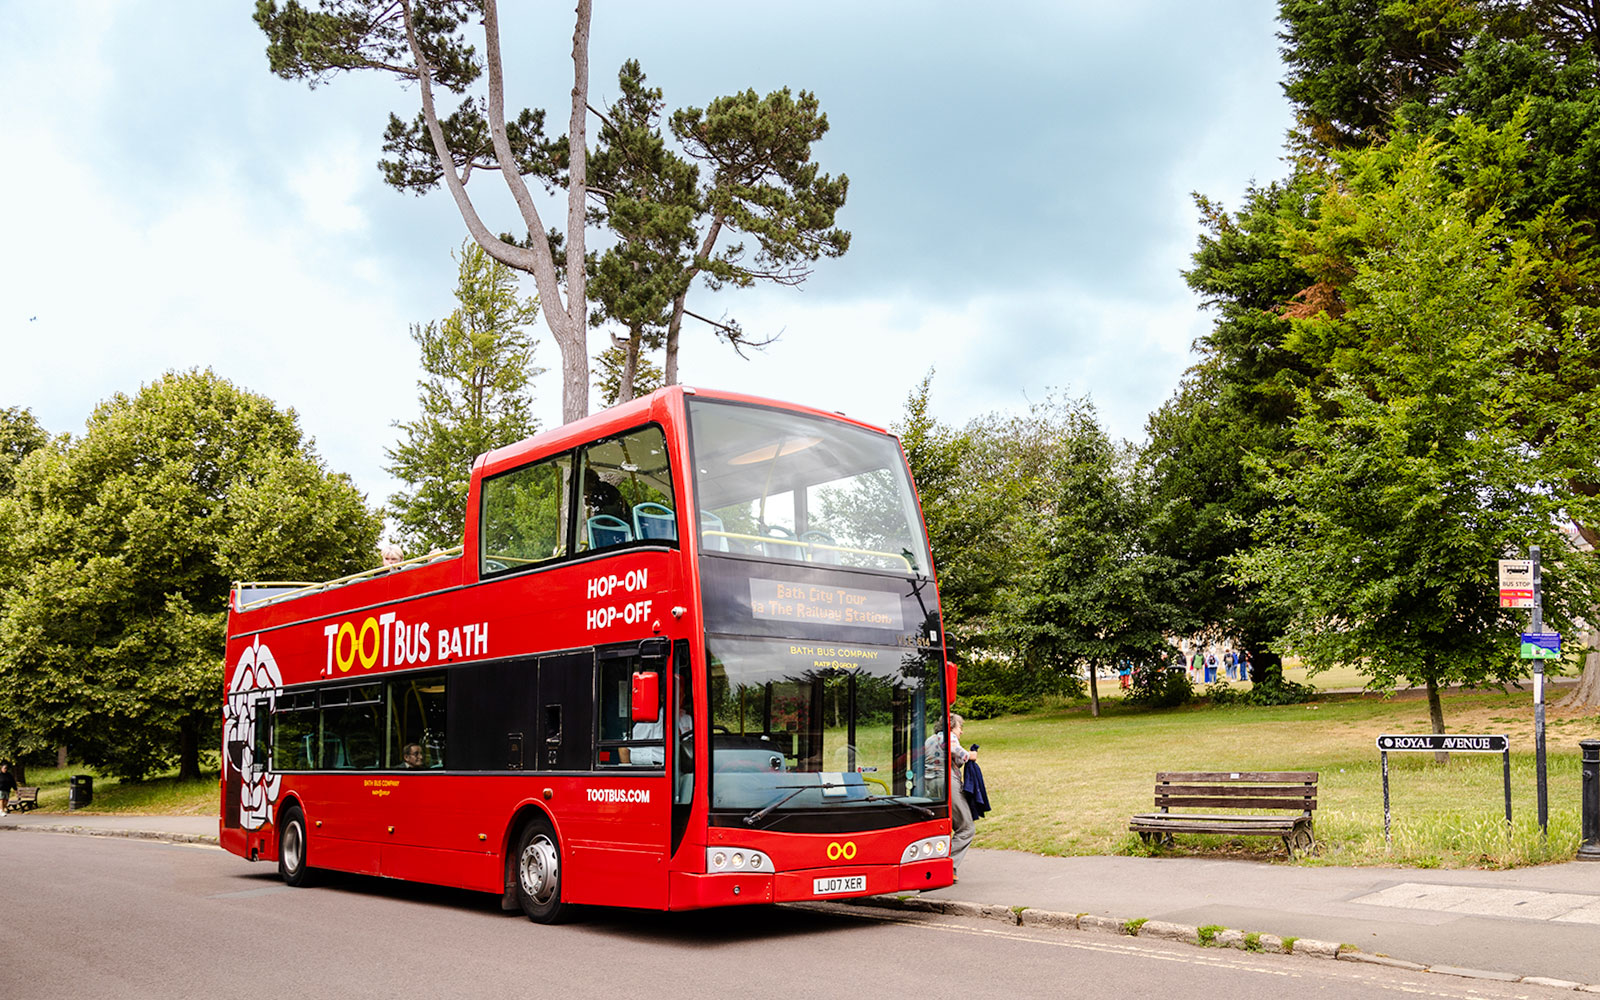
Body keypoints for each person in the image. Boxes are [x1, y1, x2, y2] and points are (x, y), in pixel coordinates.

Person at [924, 713, 976, 880]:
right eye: (960, 727)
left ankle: (939, 864)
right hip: (948, 783)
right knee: (966, 827)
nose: (961, 732)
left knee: (942, 825)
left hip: (930, 785)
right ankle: (946, 865)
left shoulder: (929, 740)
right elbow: (953, 748)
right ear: (952, 726)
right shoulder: (949, 736)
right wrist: (969, 755)